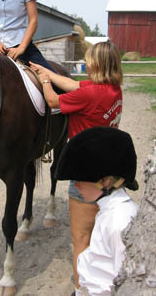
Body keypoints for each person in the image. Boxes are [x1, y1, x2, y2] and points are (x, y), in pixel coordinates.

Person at [30, 41, 123, 293]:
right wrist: (46, 71)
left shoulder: (90, 94)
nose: (88, 65)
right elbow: (74, 85)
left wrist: (45, 82)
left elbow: (51, 101)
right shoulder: (113, 90)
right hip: (110, 169)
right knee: (99, 233)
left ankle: (82, 289)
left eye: (91, 61)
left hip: (86, 174)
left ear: (98, 65)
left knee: (81, 239)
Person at [56, 126, 139, 295]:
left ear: (106, 181)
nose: (76, 185)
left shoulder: (119, 221)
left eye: (80, 179)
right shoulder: (106, 211)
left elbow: (126, 280)